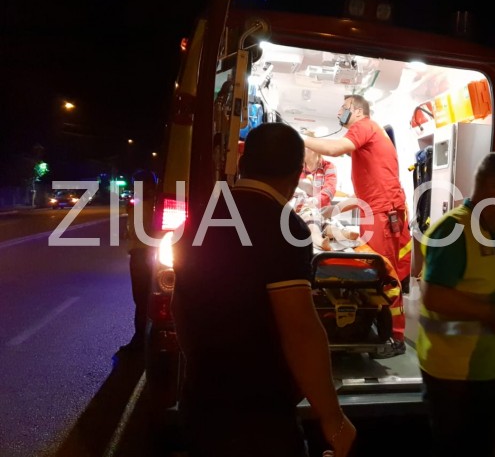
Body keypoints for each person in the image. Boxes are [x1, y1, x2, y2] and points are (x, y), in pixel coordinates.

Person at [172, 123, 356, 457]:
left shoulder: (201, 216)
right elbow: (300, 330)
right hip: (257, 415)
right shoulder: (286, 226)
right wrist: (333, 419)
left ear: (243, 164)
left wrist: (203, 365)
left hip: (200, 400)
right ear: (297, 174)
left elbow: (179, 305)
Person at [417, 152, 495, 457]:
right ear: (493, 185)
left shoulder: (493, 231)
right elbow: (434, 296)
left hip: (487, 369)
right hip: (454, 375)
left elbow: (476, 289)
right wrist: (493, 314)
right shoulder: (454, 229)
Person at [303, 94, 411, 358]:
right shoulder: (373, 137)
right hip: (379, 211)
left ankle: (395, 338)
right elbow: (364, 194)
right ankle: (369, 325)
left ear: (357, 110)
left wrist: (299, 138)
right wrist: (333, 210)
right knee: (381, 274)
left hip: (382, 214)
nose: (339, 112)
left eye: (343, 107)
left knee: (384, 275)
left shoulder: (364, 126)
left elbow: (334, 149)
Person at [122, 169, 157, 352]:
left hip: (143, 256)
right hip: (142, 254)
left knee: (142, 299)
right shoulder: (143, 204)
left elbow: (138, 231)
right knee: (142, 299)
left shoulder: (147, 206)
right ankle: (143, 338)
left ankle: (141, 341)